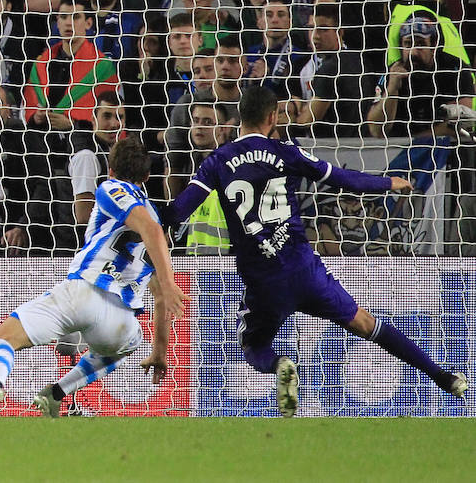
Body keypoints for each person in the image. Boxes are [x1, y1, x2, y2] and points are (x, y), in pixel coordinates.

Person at [166, 85, 469, 416]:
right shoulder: (287, 152)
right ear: (271, 116)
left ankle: (281, 365)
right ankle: (444, 377)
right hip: (305, 271)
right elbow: (344, 180)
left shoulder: (217, 162)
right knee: (366, 324)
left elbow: (178, 211)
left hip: (263, 281)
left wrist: (140, 219)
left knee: (253, 345)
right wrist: (389, 182)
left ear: (239, 117)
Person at [0, 138, 185, 415]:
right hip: (121, 322)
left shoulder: (112, 189)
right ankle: (56, 393)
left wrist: (168, 281)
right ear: (147, 176)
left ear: (110, 170)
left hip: (84, 292)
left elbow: (150, 235)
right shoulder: (159, 223)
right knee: (126, 343)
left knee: (2, 339)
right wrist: (160, 352)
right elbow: (162, 298)